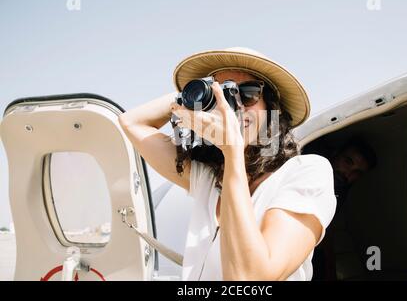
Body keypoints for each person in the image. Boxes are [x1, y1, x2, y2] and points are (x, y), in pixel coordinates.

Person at [119, 47, 337, 281]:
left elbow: (249, 279)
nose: (233, 106)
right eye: (221, 96)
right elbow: (132, 122)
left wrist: (233, 151)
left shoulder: (306, 172)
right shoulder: (209, 180)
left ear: (271, 109)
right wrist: (193, 95)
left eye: (248, 94)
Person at [305, 137, 377, 280]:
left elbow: (326, 228)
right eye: (348, 162)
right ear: (336, 154)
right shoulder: (311, 167)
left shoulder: (341, 188)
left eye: (357, 172)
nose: (348, 173)